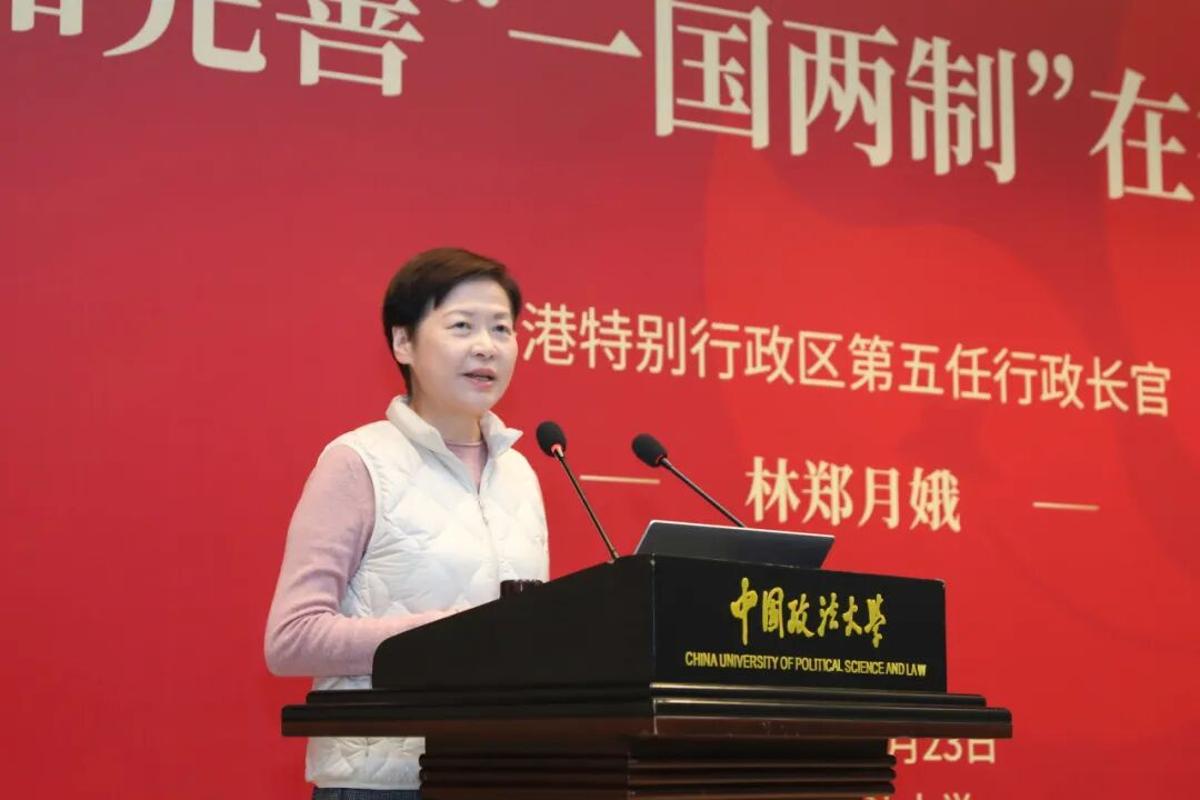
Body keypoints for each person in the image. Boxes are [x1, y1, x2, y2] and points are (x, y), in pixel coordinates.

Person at [265, 248, 549, 799]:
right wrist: (448, 636)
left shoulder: (520, 473)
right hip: (382, 783)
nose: (486, 346)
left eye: (502, 328)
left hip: (498, 773)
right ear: (403, 343)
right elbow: (291, 638)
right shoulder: (359, 462)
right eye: (462, 326)